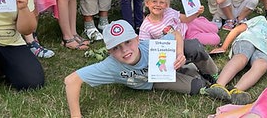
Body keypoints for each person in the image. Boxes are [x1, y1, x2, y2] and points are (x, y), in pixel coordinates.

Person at [64, 20, 218, 117]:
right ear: (110, 51)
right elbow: (71, 80)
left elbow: (175, 33)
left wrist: (179, 53)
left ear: (137, 40)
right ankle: (190, 71)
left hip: (164, 66)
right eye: (116, 47)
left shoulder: (150, 46)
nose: (125, 50)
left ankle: (215, 75)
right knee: (197, 86)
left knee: (193, 46)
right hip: (154, 81)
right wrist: (75, 115)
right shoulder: (110, 66)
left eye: (128, 42)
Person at [205, 8, 267, 106]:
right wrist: (224, 47)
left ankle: (237, 91)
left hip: (263, 52)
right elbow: (238, 29)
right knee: (241, 58)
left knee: (263, 64)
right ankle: (219, 85)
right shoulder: (261, 20)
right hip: (248, 41)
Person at [140, 0, 220, 46]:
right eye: (154, 1)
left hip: (189, 24)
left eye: (161, 2)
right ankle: (201, 27)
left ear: (166, 5)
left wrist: (196, 13)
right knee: (216, 39)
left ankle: (200, 20)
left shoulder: (169, 12)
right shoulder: (146, 26)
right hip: (187, 38)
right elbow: (144, 47)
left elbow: (185, 19)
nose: (158, 5)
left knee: (215, 28)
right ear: (147, 3)